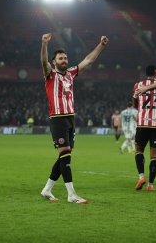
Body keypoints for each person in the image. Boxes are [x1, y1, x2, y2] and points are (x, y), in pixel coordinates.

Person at [40, 32, 108, 204]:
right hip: (58, 119)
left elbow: (88, 60)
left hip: (70, 119)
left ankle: (47, 189)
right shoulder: (50, 75)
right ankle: (71, 195)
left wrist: (101, 45)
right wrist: (44, 44)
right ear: (54, 62)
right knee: (65, 156)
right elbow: (43, 61)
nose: (64, 60)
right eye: (61, 58)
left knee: (65, 156)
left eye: (65, 58)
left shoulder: (71, 73)